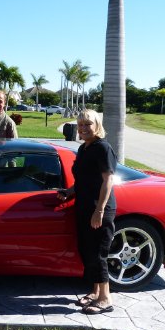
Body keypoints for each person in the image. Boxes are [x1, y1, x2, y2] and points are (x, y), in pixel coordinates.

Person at [57, 109, 117, 315]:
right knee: (87, 251)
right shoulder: (84, 149)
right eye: (80, 125)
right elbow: (82, 180)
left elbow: (108, 180)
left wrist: (99, 210)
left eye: (87, 124)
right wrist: (69, 193)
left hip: (99, 208)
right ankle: (94, 292)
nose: (83, 128)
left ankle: (106, 299)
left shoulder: (103, 148)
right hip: (83, 206)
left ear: (97, 125)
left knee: (99, 253)